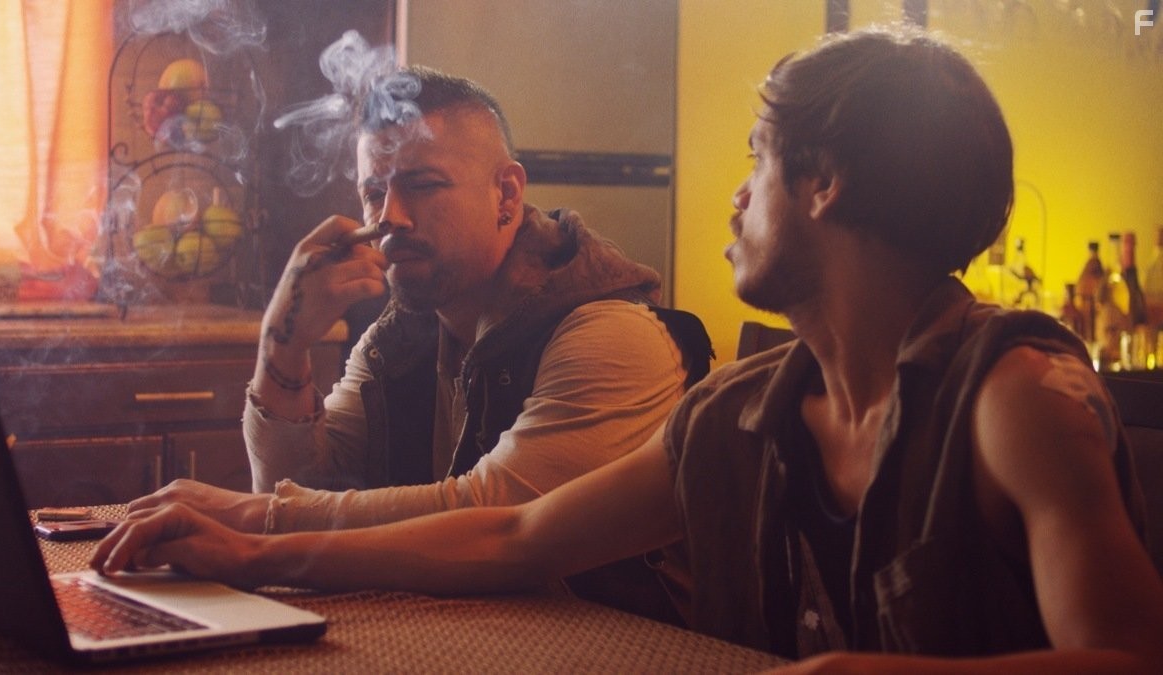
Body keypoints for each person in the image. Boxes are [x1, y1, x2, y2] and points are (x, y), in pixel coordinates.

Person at [93, 27, 1163, 671]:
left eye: (757, 159)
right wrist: (256, 554)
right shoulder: (737, 412)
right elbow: (515, 536)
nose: (736, 194)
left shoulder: (1015, 393)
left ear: (824, 182)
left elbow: (1129, 659)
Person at [122, 65, 712, 623]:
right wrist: (284, 342)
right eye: (372, 192)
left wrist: (255, 520)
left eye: (422, 186)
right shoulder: (403, 334)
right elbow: (303, 488)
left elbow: (495, 515)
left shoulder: (612, 333)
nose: (389, 218)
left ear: (507, 194)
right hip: (473, 635)